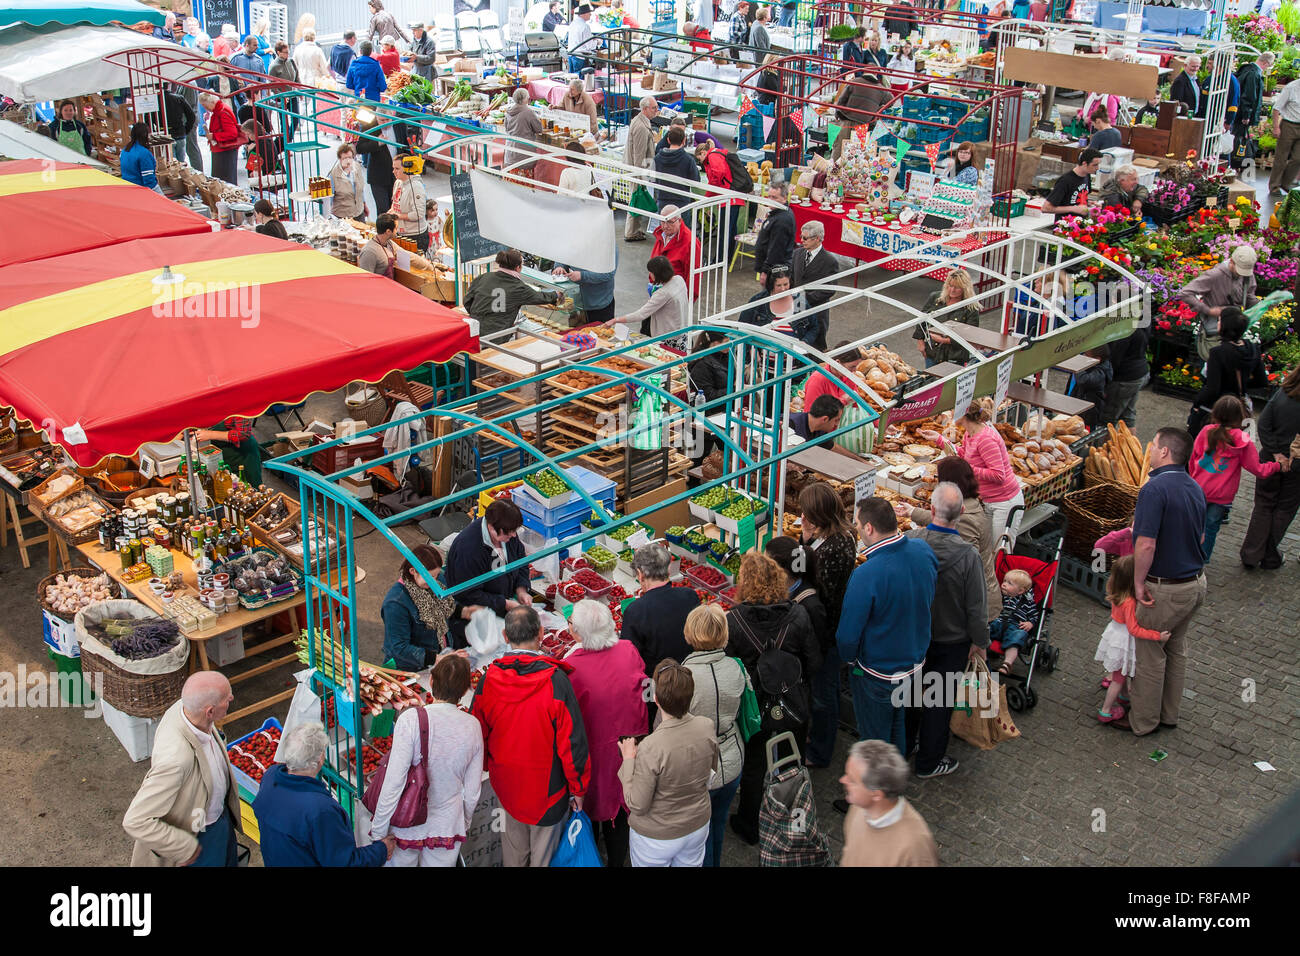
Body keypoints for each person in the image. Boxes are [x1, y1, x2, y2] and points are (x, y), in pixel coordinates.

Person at [472, 606, 589, 866]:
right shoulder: (556, 681)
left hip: (507, 788)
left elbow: (477, 734)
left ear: (505, 636)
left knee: (514, 854)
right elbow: (573, 743)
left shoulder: (489, 678)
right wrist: (578, 788)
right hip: (548, 792)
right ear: (541, 633)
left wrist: (488, 767)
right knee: (544, 857)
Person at [725, 552, 819, 844]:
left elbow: (730, 668)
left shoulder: (734, 620)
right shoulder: (798, 614)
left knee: (754, 766)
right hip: (791, 700)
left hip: (755, 707)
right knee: (793, 761)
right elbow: (813, 661)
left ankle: (750, 825)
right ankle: (794, 818)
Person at [835, 497, 937, 767]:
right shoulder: (922, 550)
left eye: (857, 524)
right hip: (915, 662)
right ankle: (897, 775)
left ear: (869, 528)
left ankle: (876, 793)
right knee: (897, 722)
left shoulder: (867, 574)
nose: (856, 529)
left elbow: (847, 635)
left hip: (878, 671)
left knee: (874, 739)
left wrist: (850, 660)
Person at [902, 482, 988, 778]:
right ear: (962, 512)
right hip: (951, 642)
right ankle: (928, 762)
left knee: (911, 695)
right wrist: (980, 641)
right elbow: (976, 607)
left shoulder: (911, 541)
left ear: (931, 509)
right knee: (938, 702)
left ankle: (904, 747)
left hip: (915, 637)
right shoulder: (968, 557)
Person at [368, 654, 484, 866]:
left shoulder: (411, 720)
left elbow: (394, 782)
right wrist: (463, 822)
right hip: (447, 825)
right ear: (466, 690)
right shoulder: (473, 726)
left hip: (406, 825)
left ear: (431, 681)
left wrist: (378, 832)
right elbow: (473, 791)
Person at [1127, 427, 1207, 736]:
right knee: (1175, 648)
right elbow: (1201, 535)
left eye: (1153, 444)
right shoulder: (1194, 486)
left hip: (1166, 588)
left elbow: (1146, 544)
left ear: (1165, 452)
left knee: (1150, 655)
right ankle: (1168, 715)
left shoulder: (1154, 489)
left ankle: (1143, 722)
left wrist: (1137, 583)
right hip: (1195, 583)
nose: (1149, 448)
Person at [122, 672, 240, 866]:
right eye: (227, 698)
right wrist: (184, 847)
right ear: (209, 711)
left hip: (218, 819)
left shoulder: (187, 709)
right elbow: (135, 820)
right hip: (200, 835)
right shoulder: (176, 760)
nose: (231, 698)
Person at [565, 600, 648, 867]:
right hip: (627, 750)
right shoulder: (628, 650)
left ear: (577, 633)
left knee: (589, 810)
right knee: (621, 813)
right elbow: (645, 689)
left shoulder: (570, 668)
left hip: (592, 754)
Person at [618, 661, 719, 867]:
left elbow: (637, 804)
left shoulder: (652, 746)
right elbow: (710, 774)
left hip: (657, 836)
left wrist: (628, 760)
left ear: (655, 698)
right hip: (697, 826)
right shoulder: (707, 726)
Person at [254, 722, 392, 866]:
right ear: (320, 759)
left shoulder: (270, 777)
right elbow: (344, 863)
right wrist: (381, 850)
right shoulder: (320, 810)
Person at [678, 604, 746, 867]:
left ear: (689, 634)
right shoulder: (736, 668)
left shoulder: (685, 677)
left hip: (699, 767)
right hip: (732, 759)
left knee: (698, 833)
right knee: (717, 823)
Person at [905, 456, 1000, 626]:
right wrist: (912, 512)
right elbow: (945, 515)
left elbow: (957, 564)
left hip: (971, 604)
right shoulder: (969, 503)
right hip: (975, 597)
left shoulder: (965, 520)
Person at [1191, 395, 1284, 559]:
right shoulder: (1243, 440)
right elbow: (1258, 469)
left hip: (1198, 488)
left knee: (1191, 524)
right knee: (1211, 527)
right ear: (1240, 416)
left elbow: (1193, 458)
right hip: (1222, 494)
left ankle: (1185, 554)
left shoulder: (1206, 431)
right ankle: (1201, 560)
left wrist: (1192, 479)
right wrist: (1277, 466)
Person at [921, 402, 1024, 546]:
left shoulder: (986, 439)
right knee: (987, 547)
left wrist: (968, 468)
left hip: (1004, 502)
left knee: (999, 550)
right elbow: (963, 454)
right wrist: (939, 439)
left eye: (953, 411)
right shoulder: (970, 434)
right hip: (989, 501)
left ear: (963, 414)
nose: (950, 415)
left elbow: (998, 475)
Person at [445, 499, 532, 649]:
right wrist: (503, 603)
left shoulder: (507, 531)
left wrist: (521, 589)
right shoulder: (468, 550)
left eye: (514, 531)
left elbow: (520, 559)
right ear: (491, 527)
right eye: (509, 533)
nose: (513, 535)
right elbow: (468, 594)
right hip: (474, 621)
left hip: (500, 613)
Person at [1092, 556, 1168, 726]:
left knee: (1121, 673)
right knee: (1118, 678)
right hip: (1124, 641)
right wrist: (1157, 636)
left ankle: (1124, 696)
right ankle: (1106, 710)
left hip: (1115, 635)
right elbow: (1134, 629)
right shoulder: (1129, 602)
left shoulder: (1115, 591)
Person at [839, 739, 939, 866]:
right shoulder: (859, 807)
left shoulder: (915, 847)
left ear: (876, 794)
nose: (842, 780)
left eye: (852, 780)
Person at [1242, 365, 1300, 568]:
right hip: (1296, 466)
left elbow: (1264, 424)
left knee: (1264, 504)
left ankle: (1250, 554)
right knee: (1285, 508)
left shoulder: (1283, 393)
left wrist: (1276, 453)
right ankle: (1268, 556)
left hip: (1270, 458)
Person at [381, 544, 476, 669]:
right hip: (411, 667)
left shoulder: (436, 580)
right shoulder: (395, 604)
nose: (435, 582)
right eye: (430, 577)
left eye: (436, 575)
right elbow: (399, 648)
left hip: (441, 654)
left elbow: (446, 605)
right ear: (413, 571)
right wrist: (436, 658)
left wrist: (465, 611)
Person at [622, 543, 700, 677]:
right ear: (668, 569)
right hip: (693, 674)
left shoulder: (635, 611)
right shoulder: (690, 596)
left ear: (640, 574)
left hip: (659, 684)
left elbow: (629, 659)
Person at [1187, 307, 1267, 434]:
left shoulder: (1218, 353)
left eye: (1219, 320)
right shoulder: (1252, 349)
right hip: (1239, 409)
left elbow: (1213, 388)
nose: (1217, 323)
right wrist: (1239, 387)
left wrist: (1197, 404)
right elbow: (1261, 381)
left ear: (1224, 326)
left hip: (1217, 409)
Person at [463, 247, 564, 336]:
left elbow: (467, 301)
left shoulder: (483, 277)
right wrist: (556, 294)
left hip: (473, 330)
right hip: (497, 335)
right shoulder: (518, 288)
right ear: (518, 267)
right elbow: (540, 297)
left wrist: (477, 316)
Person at [1179, 249, 1260, 341]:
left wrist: (1263, 305)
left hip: (1236, 329)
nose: (1242, 274)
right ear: (1232, 262)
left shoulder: (1247, 275)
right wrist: (1208, 310)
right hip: (1215, 331)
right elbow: (1185, 293)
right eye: (1240, 270)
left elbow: (1249, 295)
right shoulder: (1215, 275)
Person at [612, 255, 689, 343]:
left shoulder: (663, 293)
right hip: (682, 334)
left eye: (651, 272)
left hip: (667, 339)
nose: (650, 275)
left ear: (658, 274)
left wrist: (615, 320)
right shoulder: (679, 280)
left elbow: (640, 314)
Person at [912, 268, 979, 367]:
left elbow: (970, 336)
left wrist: (944, 341)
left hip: (955, 356)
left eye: (957, 287)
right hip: (933, 352)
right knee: (931, 379)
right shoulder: (936, 298)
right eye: (950, 285)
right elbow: (922, 319)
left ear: (965, 288)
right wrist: (920, 341)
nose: (952, 290)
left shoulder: (971, 308)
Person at [790, 220, 841, 350]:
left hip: (816, 312)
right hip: (795, 307)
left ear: (817, 239)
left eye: (805, 238)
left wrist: (804, 298)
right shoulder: (797, 253)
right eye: (801, 237)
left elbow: (829, 289)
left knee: (816, 346)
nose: (802, 240)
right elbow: (791, 277)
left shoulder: (829, 261)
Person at [695, 140, 746, 262]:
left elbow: (718, 175)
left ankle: (720, 259)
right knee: (729, 229)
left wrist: (707, 197)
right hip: (733, 197)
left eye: (699, 159)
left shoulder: (713, 156)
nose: (700, 162)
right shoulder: (717, 154)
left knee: (724, 231)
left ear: (703, 153)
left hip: (728, 198)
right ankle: (726, 258)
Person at [987, 567, 1037, 673]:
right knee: (981, 629)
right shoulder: (999, 596)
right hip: (997, 622)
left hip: (1014, 626)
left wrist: (1030, 623)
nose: (1004, 584)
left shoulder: (1027, 603)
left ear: (1020, 591)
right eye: (1004, 581)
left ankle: (1007, 663)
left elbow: (1034, 615)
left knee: (1018, 637)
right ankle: (976, 656)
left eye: (1009, 583)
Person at [550, 243, 618, 323]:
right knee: (575, 333)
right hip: (576, 301)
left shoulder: (608, 246)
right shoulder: (572, 239)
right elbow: (562, 255)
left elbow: (608, 273)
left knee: (599, 332)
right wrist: (559, 267)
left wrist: (582, 276)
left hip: (599, 303)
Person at [623, 96, 660, 240]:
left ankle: (634, 230)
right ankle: (631, 232)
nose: (656, 110)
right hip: (638, 170)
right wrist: (639, 176)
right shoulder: (641, 128)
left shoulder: (640, 121)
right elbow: (638, 154)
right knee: (636, 199)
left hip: (639, 168)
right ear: (644, 109)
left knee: (636, 199)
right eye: (653, 108)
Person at [1100, 324, 1149, 430]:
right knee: (1128, 418)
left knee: (1108, 421)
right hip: (1139, 373)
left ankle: (1105, 447)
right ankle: (1131, 447)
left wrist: (1104, 380)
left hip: (1124, 380)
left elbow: (1115, 358)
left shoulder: (1126, 329)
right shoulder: (1142, 321)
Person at [650, 204, 702, 296]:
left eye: (670, 222)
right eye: (662, 221)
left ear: (680, 221)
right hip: (658, 290)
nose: (665, 226)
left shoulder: (690, 242)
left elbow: (694, 275)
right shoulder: (661, 234)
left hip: (676, 295)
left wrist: (687, 299)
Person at [193, 417, 260, 483]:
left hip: (242, 454)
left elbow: (243, 434)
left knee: (247, 486)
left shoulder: (235, 407)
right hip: (223, 451)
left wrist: (211, 434)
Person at [1042, 149, 1103, 220]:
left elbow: (1074, 199)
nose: (1097, 168)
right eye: (1095, 165)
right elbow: (1046, 208)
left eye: (1098, 165)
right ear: (1084, 164)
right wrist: (1074, 209)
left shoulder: (1087, 176)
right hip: (1065, 226)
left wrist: (1090, 204)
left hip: (1081, 225)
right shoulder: (1065, 181)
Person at [754, 181, 795, 281]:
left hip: (775, 272)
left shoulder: (782, 220)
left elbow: (776, 249)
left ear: (784, 198)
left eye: (774, 197)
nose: (770, 200)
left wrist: (766, 271)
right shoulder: (776, 214)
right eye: (769, 197)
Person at [653, 125, 701, 212]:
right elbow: (696, 180)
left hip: (663, 200)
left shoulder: (657, 158)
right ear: (684, 141)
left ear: (668, 140)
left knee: (665, 225)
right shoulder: (688, 159)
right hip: (682, 202)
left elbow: (653, 178)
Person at [355, 118, 396, 216]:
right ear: (377, 117)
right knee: (383, 211)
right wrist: (377, 143)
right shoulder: (370, 126)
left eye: (387, 120)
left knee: (396, 208)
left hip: (397, 176)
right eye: (381, 120)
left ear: (392, 115)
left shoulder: (398, 124)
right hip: (378, 177)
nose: (384, 123)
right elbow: (359, 148)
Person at [390, 153, 429, 252]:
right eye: (393, 168)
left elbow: (418, 214)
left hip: (415, 236)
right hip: (400, 233)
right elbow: (395, 203)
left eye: (397, 169)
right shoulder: (398, 182)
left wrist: (397, 216)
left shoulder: (416, 187)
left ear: (407, 168)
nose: (393, 171)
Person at [1269, 74, 1300, 195]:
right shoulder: (1291, 88)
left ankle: (1286, 183)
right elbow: (1277, 108)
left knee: (1298, 158)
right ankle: (1274, 186)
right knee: (1281, 157)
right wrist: (1276, 127)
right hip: (1288, 125)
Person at [1071, 344, 1113, 431]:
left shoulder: (1100, 374)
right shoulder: (1099, 366)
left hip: (1089, 414)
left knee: (1084, 434)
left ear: (1097, 359)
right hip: (1082, 408)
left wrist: (1079, 366)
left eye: (1086, 355)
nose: (1083, 357)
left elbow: (1083, 380)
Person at [503, 88, 543, 174]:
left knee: (510, 185)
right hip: (524, 156)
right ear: (525, 99)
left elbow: (506, 128)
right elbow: (539, 129)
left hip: (510, 153)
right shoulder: (528, 112)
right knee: (524, 185)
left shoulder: (508, 111)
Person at [328, 142, 367, 221]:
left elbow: (361, 190)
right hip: (342, 217)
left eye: (350, 157)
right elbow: (329, 200)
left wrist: (364, 205)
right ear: (339, 159)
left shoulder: (357, 167)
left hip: (359, 213)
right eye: (344, 158)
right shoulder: (333, 175)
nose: (348, 161)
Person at [119, 122, 160, 192]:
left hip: (127, 188)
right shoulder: (144, 153)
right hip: (140, 189)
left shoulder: (125, 150)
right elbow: (149, 179)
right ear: (145, 135)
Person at [567, 4, 597, 74]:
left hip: (571, 54)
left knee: (571, 78)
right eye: (589, 13)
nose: (590, 14)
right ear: (584, 14)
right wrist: (597, 42)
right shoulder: (585, 26)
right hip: (580, 56)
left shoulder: (573, 24)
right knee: (580, 79)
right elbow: (589, 45)